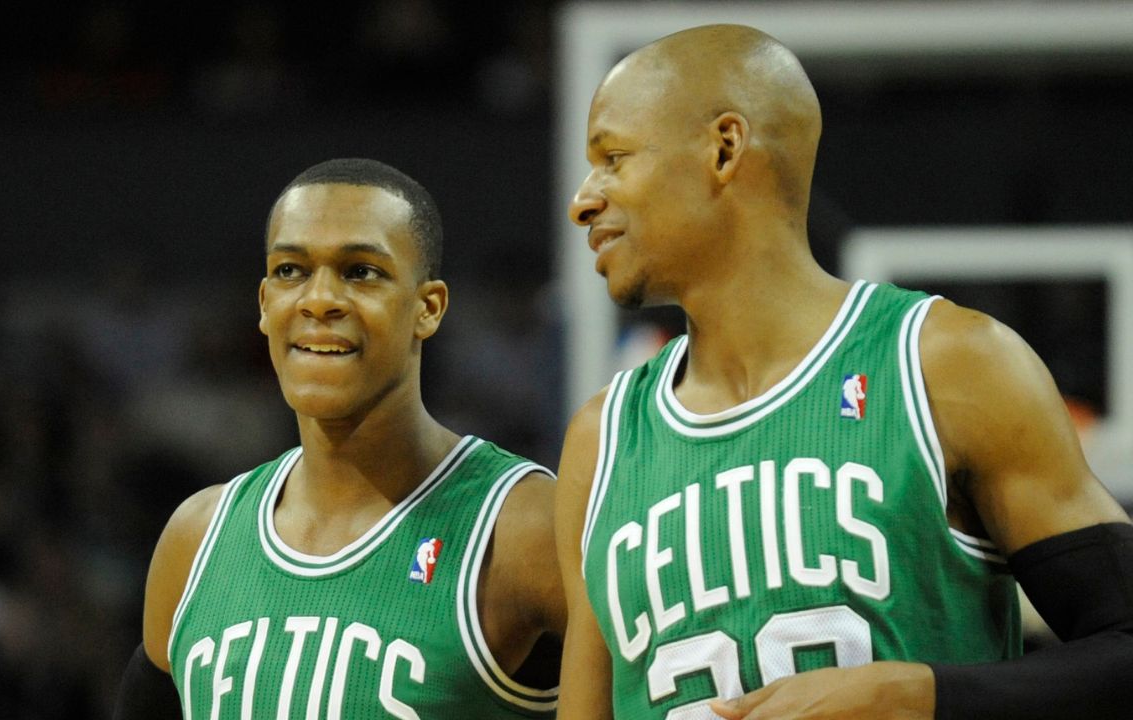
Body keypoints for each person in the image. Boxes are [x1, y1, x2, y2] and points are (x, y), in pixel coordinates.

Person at [554, 23, 1133, 720]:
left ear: (725, 148)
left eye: (613, 158)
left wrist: (919, 695)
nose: (582, 200)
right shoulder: (602, 440)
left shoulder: (944, 363)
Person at [114, 158, 565, 718]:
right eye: (290, 270)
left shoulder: (524, 525)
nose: (319, 299)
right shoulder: (197, 538)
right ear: (264, 304)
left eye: (361, 271)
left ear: (428, 308)